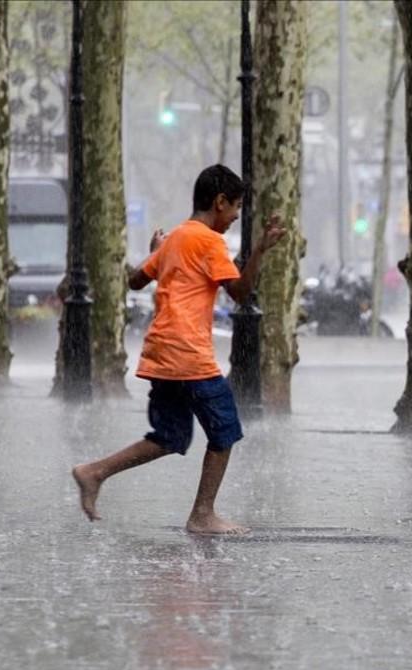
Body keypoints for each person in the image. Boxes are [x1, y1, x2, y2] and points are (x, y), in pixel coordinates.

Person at [71, 164, 285, 535]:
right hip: (189, 354)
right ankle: (203, 515)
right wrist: (260, 252)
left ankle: (94, 472)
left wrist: (154, 252)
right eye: (235, 208)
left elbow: (136, 280)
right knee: (225, 430)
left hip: (161, 353)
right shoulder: (208, 241)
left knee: (170, 436)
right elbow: (240, 293)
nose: (236, 217)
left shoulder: (174, 239)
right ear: (220, 202)